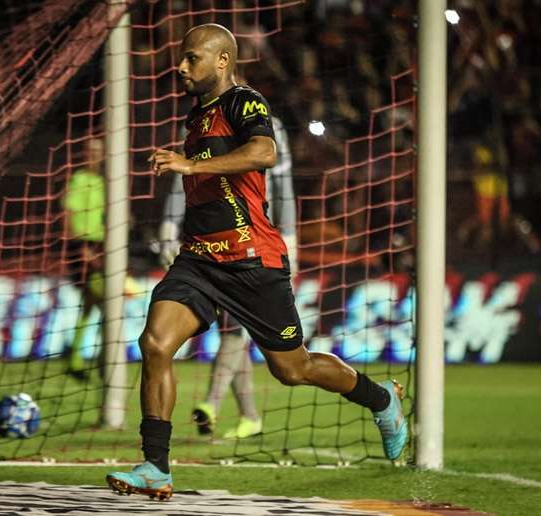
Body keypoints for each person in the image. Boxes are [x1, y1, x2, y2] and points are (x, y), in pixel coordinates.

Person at [106, 24, 407, 501]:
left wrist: (191, 165)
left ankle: (381, 399)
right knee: (156, 343)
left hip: (252, 260)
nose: (181, 67)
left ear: (222, 61)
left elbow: (263, 152)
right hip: (200, 260)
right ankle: (156, 466)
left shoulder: (244, 102)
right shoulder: (196, 116)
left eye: (191, 59)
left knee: (292, 369)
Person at [159, 114, 297, 440]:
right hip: (211, 242)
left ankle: (212, 403)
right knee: (233, 328)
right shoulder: (194, 127)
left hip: (258, 243)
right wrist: (168, 228)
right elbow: (182, 185)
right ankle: (250, 416)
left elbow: (283, 184)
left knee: (237, 327)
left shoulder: (268, 126)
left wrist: (289, 237)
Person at [62, 137, 105, 380]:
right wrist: (80, 247)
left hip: (101, 247)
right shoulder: (79, 179)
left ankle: (76, 358)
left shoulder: (104, 182)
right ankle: (99, 360)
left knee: (90, 307)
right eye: (90, 150)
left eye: (98, 151)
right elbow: (69, 214)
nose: (93, 155)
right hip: (83, 247)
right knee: (103, 303)